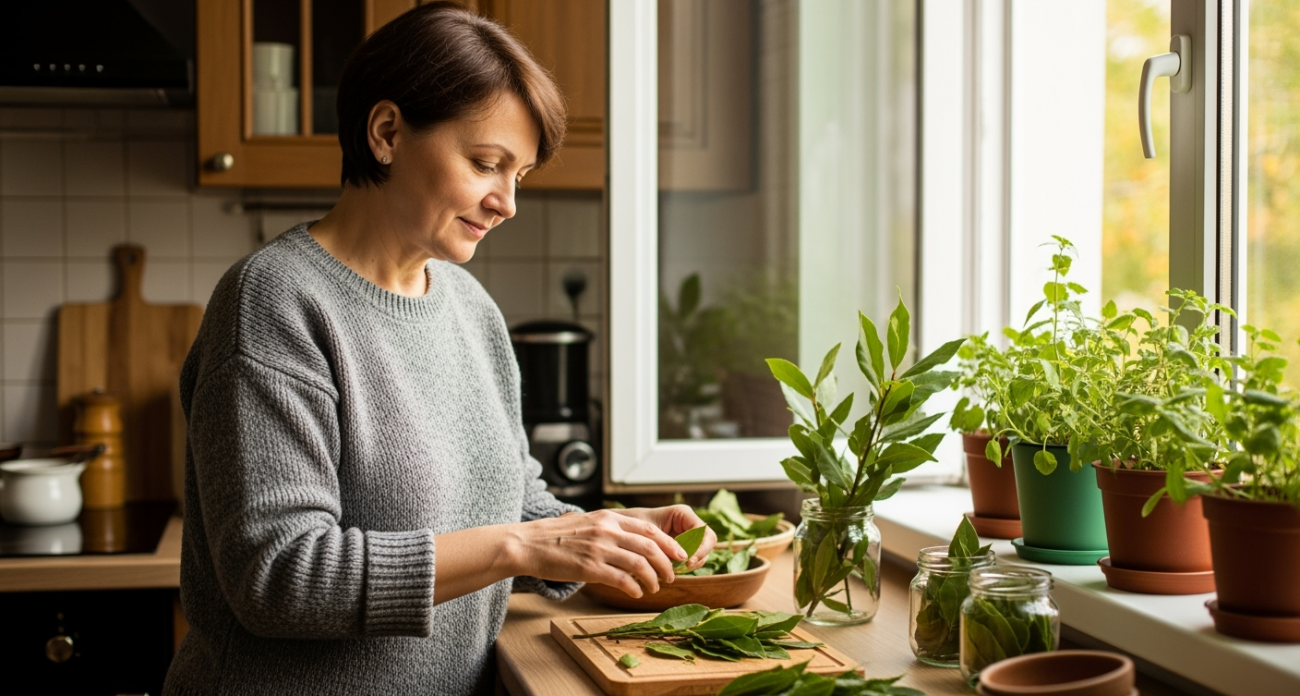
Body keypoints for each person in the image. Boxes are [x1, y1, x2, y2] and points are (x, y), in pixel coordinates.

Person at [163, 4, 715, 694]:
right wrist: (523, 546)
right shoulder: (274, 302)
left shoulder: (470, 307)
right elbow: (281, 577)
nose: (507, 202)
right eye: (488, 164)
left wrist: (610, 534)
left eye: (520, 176)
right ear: (387, 132)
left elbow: (514, 505)